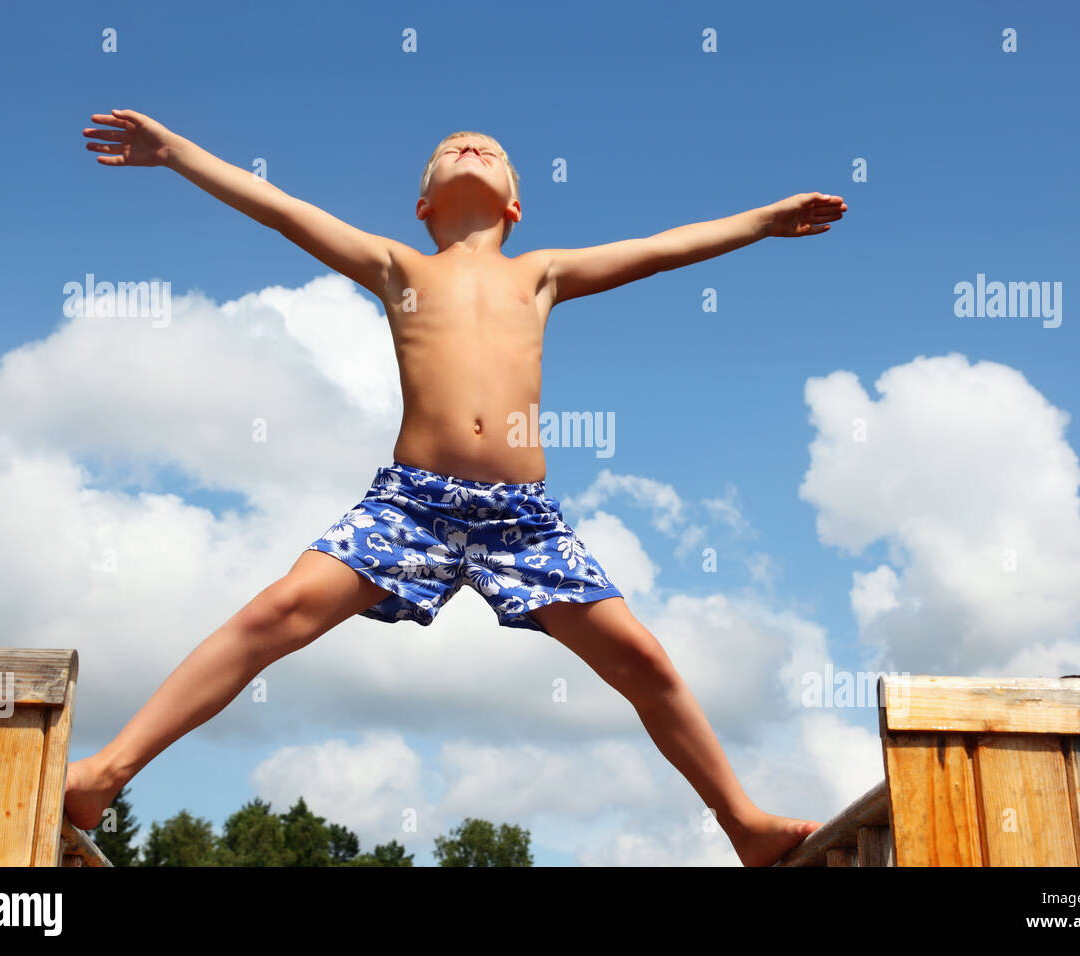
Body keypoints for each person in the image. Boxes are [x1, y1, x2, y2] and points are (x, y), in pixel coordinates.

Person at [67, 109, 848, 865]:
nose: (469, 145)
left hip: (524, 521)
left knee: (644, 660)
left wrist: (762, 220)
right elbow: (281, 209)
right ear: (423, 203)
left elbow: (660, 247)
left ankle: (742, 822)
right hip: (412, 505)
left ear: (515, 202)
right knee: (277, 612)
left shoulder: (543, 274)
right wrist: (174, 152)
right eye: (452, 147)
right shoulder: (395, 266)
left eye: (488, 147)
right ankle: (106, 774)